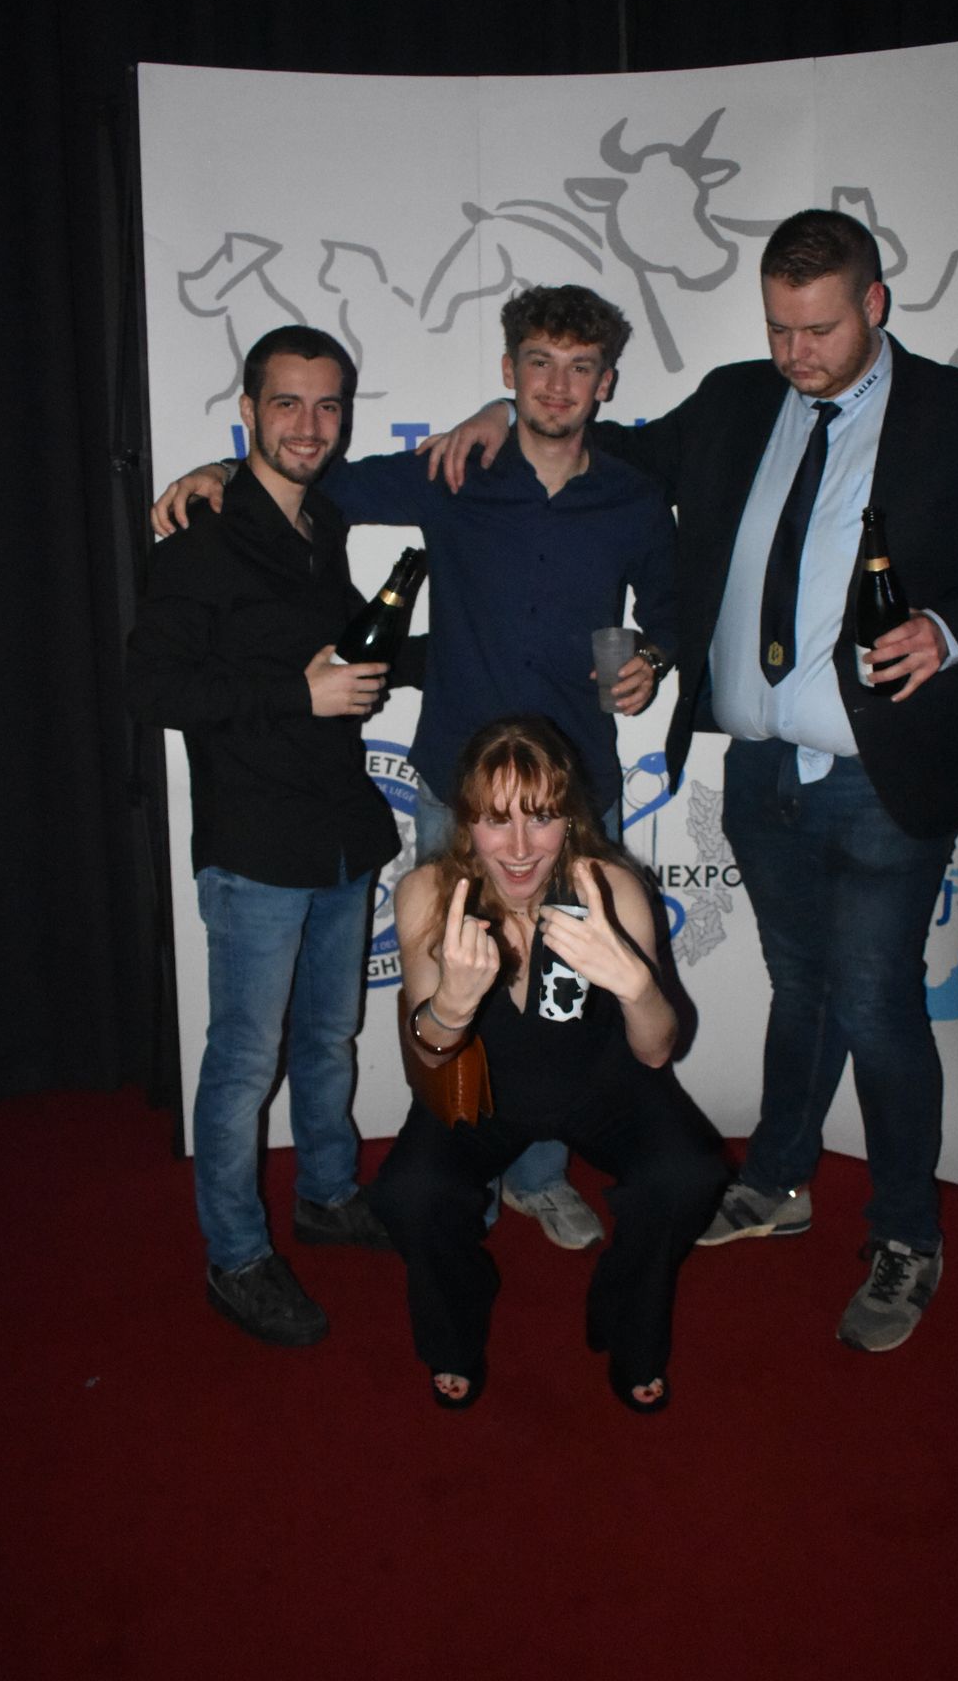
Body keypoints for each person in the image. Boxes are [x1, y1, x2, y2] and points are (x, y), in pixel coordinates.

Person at [423, 210, 958, 1353]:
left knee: (874, 1005)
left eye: (816, 330)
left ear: (872, 305)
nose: (794, 353)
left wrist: (947, 630)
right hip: (759, 767)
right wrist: (503, 415)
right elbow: (600, 448)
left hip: (885, 774)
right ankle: (778, 1179)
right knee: (799, 986)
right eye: (778, 329)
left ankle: (905, 1233)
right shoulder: (736, 399)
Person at [151, 286, 678, 1254]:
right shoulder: (454, 471)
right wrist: (220, 472)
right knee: (451, 996)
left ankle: (539, 1175)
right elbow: (313, 481)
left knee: (559, 999)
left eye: (579, 368)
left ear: (606, 383)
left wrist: (654, 653)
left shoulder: (634, 497)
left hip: (566, 793)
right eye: (538, 363)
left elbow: (674, 605)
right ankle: (463, 1174)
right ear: (509, 371)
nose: (556, 386)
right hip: (453, 788)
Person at [126, 325, 404, 1347]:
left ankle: (326, 1195)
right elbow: (152, 689)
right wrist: (296, 692)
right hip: (253, 848)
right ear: (247, 411)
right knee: (244, 1066)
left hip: (338, 835)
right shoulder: (198, 540)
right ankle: (236, 1257)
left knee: (329, 1040)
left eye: (328, 405)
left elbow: (350, 659)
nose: (309, 426)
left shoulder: (322, 523)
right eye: (287, 403)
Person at [371, 716, 727, 1412]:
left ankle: (625, 1316)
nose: (519, 848)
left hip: (602, 1084)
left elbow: (657, 1050)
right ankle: (458, 1323)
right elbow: (428, 1063)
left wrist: (637, 986)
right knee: (409, 1194)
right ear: (466, 822)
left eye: (540, 818)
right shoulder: (430, 894)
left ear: (570, 819)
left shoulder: (609, 887)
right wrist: (450, 1008)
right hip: (484, 1091)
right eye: (496, 820)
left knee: (688, 1175)